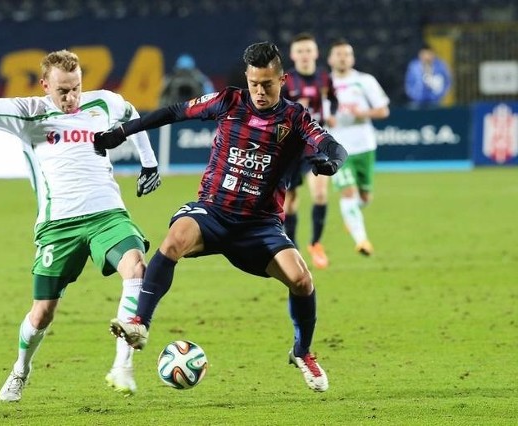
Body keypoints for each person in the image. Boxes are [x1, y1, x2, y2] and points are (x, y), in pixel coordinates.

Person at [95, 42, 348, 392]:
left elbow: (333, 146)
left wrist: (330, 161)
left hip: (260, 226)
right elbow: (172, 112)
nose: (260, 92)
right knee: (174, 240)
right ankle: (139, 322)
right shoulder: (228, 101)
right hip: (212, 211)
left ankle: (302, 351)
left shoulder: (295, 118)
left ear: (282, 79)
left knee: (302, 281)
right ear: (247, 78)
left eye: (268, 84)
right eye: (254, 83)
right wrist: (122, 132)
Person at [0, 48, 162, 401]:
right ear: (45, 85)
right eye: (63, 90)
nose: (72, 97)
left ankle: (122, 366)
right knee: (43, 313)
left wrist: (149, 162)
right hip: (58, 226)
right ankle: (21, 369)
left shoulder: (102, 104)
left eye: (77, 88)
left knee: (136, 268)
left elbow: (131, 114)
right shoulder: (29, 114)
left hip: (106, 214)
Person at [327, 39, 390, 256]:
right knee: (348, 193)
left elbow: (383, 111)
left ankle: (351, 216)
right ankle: (361, 241)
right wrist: (326, 119)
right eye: (338, 54)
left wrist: (363, 114)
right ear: (330, 59)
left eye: (346, 54)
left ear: (352, 58)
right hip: (336, 149)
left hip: (364, 145)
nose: (342, 58)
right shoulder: (323, 85)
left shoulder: (365, 81)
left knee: (364, 198)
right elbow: (313, 114)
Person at [281, 32, 338, 269]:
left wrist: (332, 113)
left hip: (315, 144)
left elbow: (333, 99)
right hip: (292, 147)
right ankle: (292, 247)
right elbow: (275, 110)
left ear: (315, 53)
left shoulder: (324, 78)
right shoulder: (286, 81)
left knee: (321, 193)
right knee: (291, 200)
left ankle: (316, 243)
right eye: (300, 51)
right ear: (293, 55)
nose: (305, 55)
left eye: (308, 50)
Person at [404, 43, 451, 109]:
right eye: (424, 54)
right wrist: (416, 96)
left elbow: (447, 82)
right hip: (417, 103)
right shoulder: (414, 67)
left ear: (433, 54)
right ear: (420, 55)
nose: (426, 57)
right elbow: (409, 84)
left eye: (428, 54)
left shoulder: (440, 66)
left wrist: (438, 95)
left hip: (436, 102)